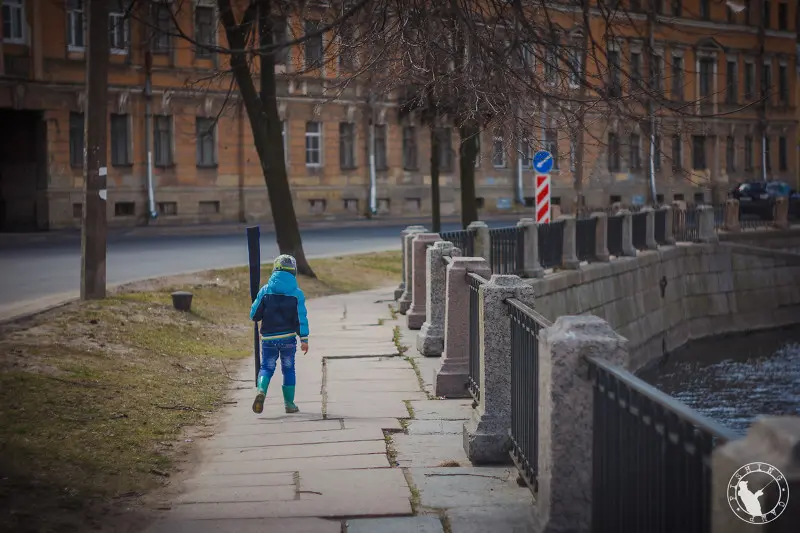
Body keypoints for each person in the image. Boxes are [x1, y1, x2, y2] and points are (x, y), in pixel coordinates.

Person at [249, 254, 309, 414]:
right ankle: (289, 404)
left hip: (268, 339)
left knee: (267, 367)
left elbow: (254, 315)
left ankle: (261, 390)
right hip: (288, 339)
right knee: (288, 369)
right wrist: (304, 338)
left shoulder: (265, 291)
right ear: (294, 272)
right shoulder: (297, 294)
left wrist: (256, 305)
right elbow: (301, 318)